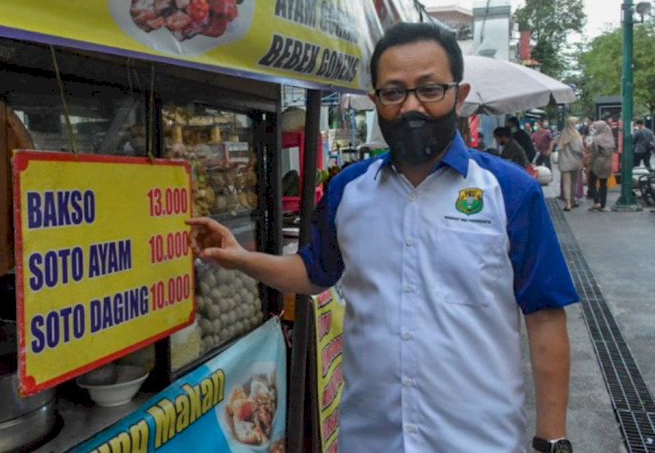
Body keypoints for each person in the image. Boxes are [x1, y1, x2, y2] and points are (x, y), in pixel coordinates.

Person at [187, 22, 578, 453]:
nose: (412, 106)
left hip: (478, 440)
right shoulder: (348, 189)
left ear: (459, 96)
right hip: (370, 438)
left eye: (430, 89)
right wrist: (241, 258)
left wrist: (552, 438)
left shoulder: (509, 192)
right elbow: (314, 273)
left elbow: (544, 319)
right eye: (394, 92)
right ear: (375, 101)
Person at [556, 117, 584, 211]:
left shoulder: (563, 133)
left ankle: (567, 202)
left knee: (566, 183)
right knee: (574, 182)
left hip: (564, 162)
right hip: (575, 162)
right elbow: (577, 148)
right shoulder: (575, 134)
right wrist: (583, 152)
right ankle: (572, 200)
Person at [587, 120, 615, 211]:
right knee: (603, 185)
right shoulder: (610, 137)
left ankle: (597, 201)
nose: (595, 129)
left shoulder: (597, 138)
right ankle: (603, 206)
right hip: (608, 164)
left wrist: (589, 163)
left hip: (597, 164)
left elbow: (594, 153)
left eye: (596, 127)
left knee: (592, 183)